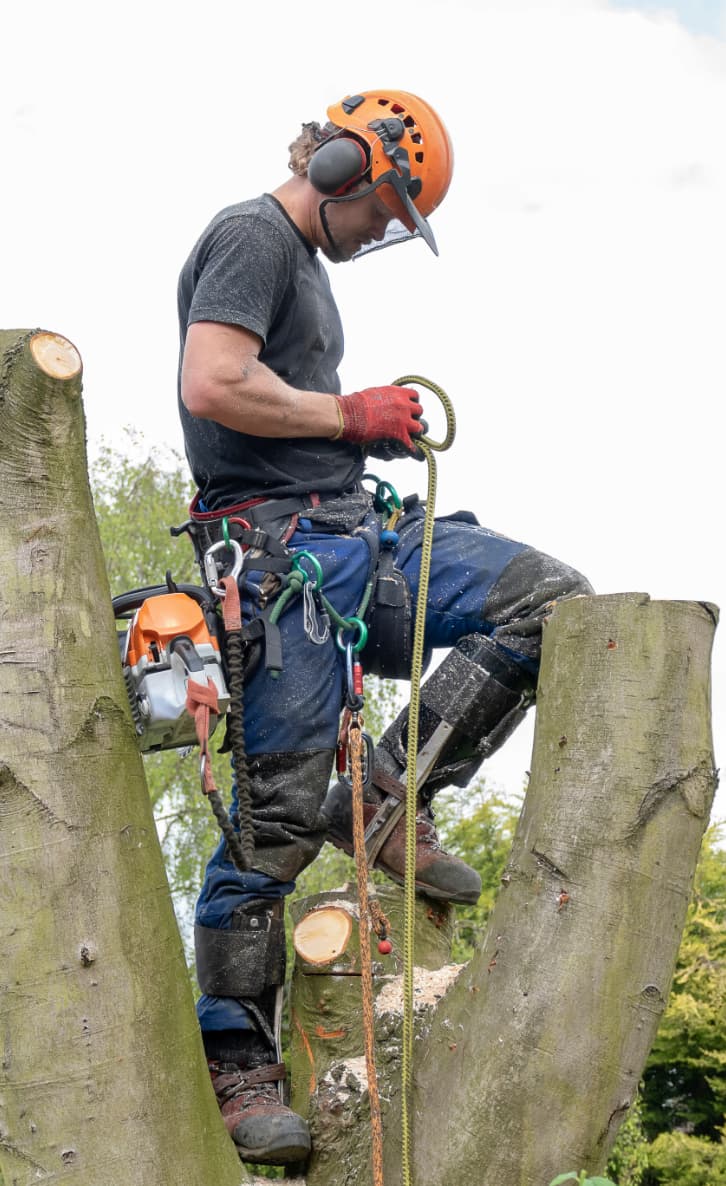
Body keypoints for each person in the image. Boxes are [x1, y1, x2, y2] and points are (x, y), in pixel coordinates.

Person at [177, 89, 592, 1167]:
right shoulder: (250, 236)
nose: (386, 233)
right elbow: (213, 381)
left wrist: (360, 440)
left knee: (548, 596)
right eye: (388, 211)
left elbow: (283, 400)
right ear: (345, 166)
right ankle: (238, 1059)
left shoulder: (304, 264)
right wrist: (344, 413)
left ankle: (377, 796)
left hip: (360, 534)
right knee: (271, 821)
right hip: (281, 562)